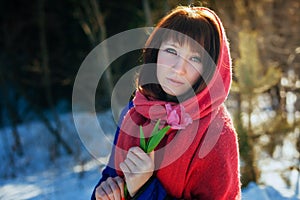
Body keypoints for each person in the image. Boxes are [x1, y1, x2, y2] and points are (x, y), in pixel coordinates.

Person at [92, 5, 241, 200]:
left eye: (195, 58)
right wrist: (105, 193)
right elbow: (110, 179)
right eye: (172, 51)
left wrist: (145, 189)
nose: (179, 68)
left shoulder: (216, 131)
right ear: (156, 52)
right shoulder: (135, 111)